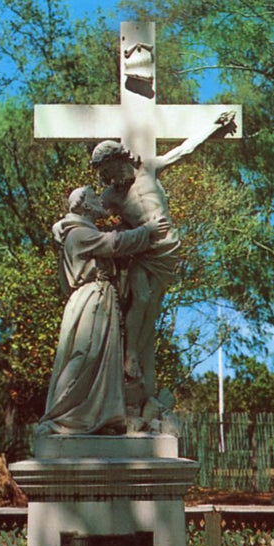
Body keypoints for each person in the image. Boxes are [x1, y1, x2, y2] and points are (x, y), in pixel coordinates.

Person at [91, 111, 237, 395]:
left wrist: (214, 127)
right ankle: (130, 355)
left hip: (168, 249)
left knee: (153, 307)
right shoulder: (111, 196)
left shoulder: (148, 168)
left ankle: (137, 360)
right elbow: (89, 212)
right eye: (105, 176)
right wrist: (70, 228)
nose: (111, 179)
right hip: (143, 250)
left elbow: (185, 150)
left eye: (111, 170)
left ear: (121, 159)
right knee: (141, 298)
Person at [38, 186, 169, 435]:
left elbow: (114, 240)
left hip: (101, 299)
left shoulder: (81, 231)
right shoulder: (78, 234)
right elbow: (115, 243)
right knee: (85, 353)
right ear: (84, 205)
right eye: (94, 197)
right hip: (91, 299)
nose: (100, 200)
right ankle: (59, 416)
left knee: (102, 360)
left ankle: (96, 418)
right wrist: (148, 231)